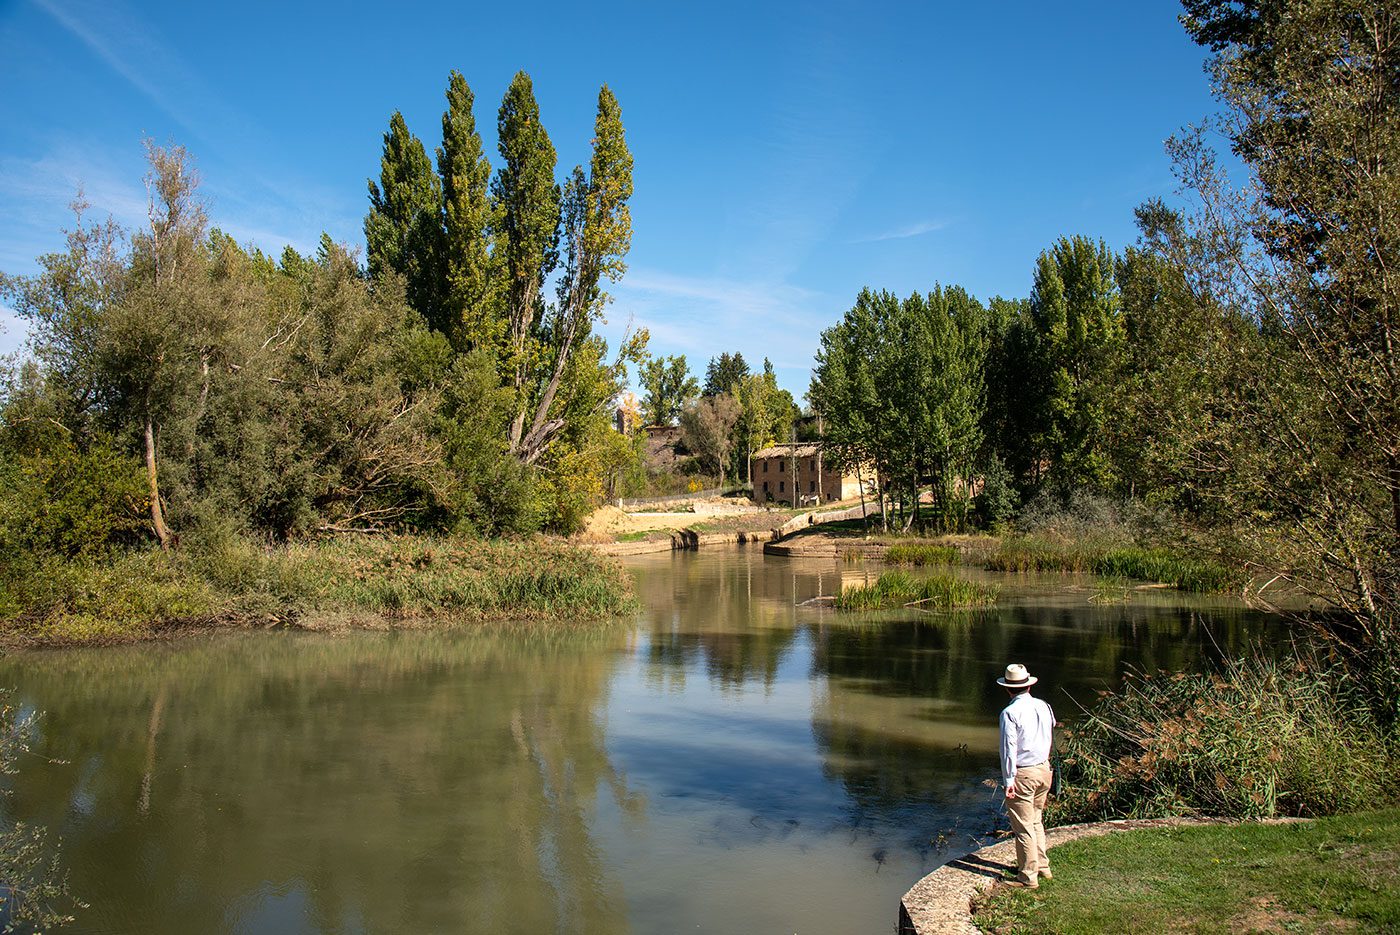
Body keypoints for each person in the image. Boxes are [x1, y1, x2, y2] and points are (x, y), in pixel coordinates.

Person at [997, 663, 1056, 888]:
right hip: (1044, 768)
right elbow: (1050, 730)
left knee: (1023, 827)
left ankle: (1027, 876)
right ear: (1028, 686)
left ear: (1007, 689)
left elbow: (1008, 749)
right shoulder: (1044, 706)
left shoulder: (1009, 713)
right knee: (1036, 819)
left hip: (1023, 773)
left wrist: (1008, 780)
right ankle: (1043, 866)